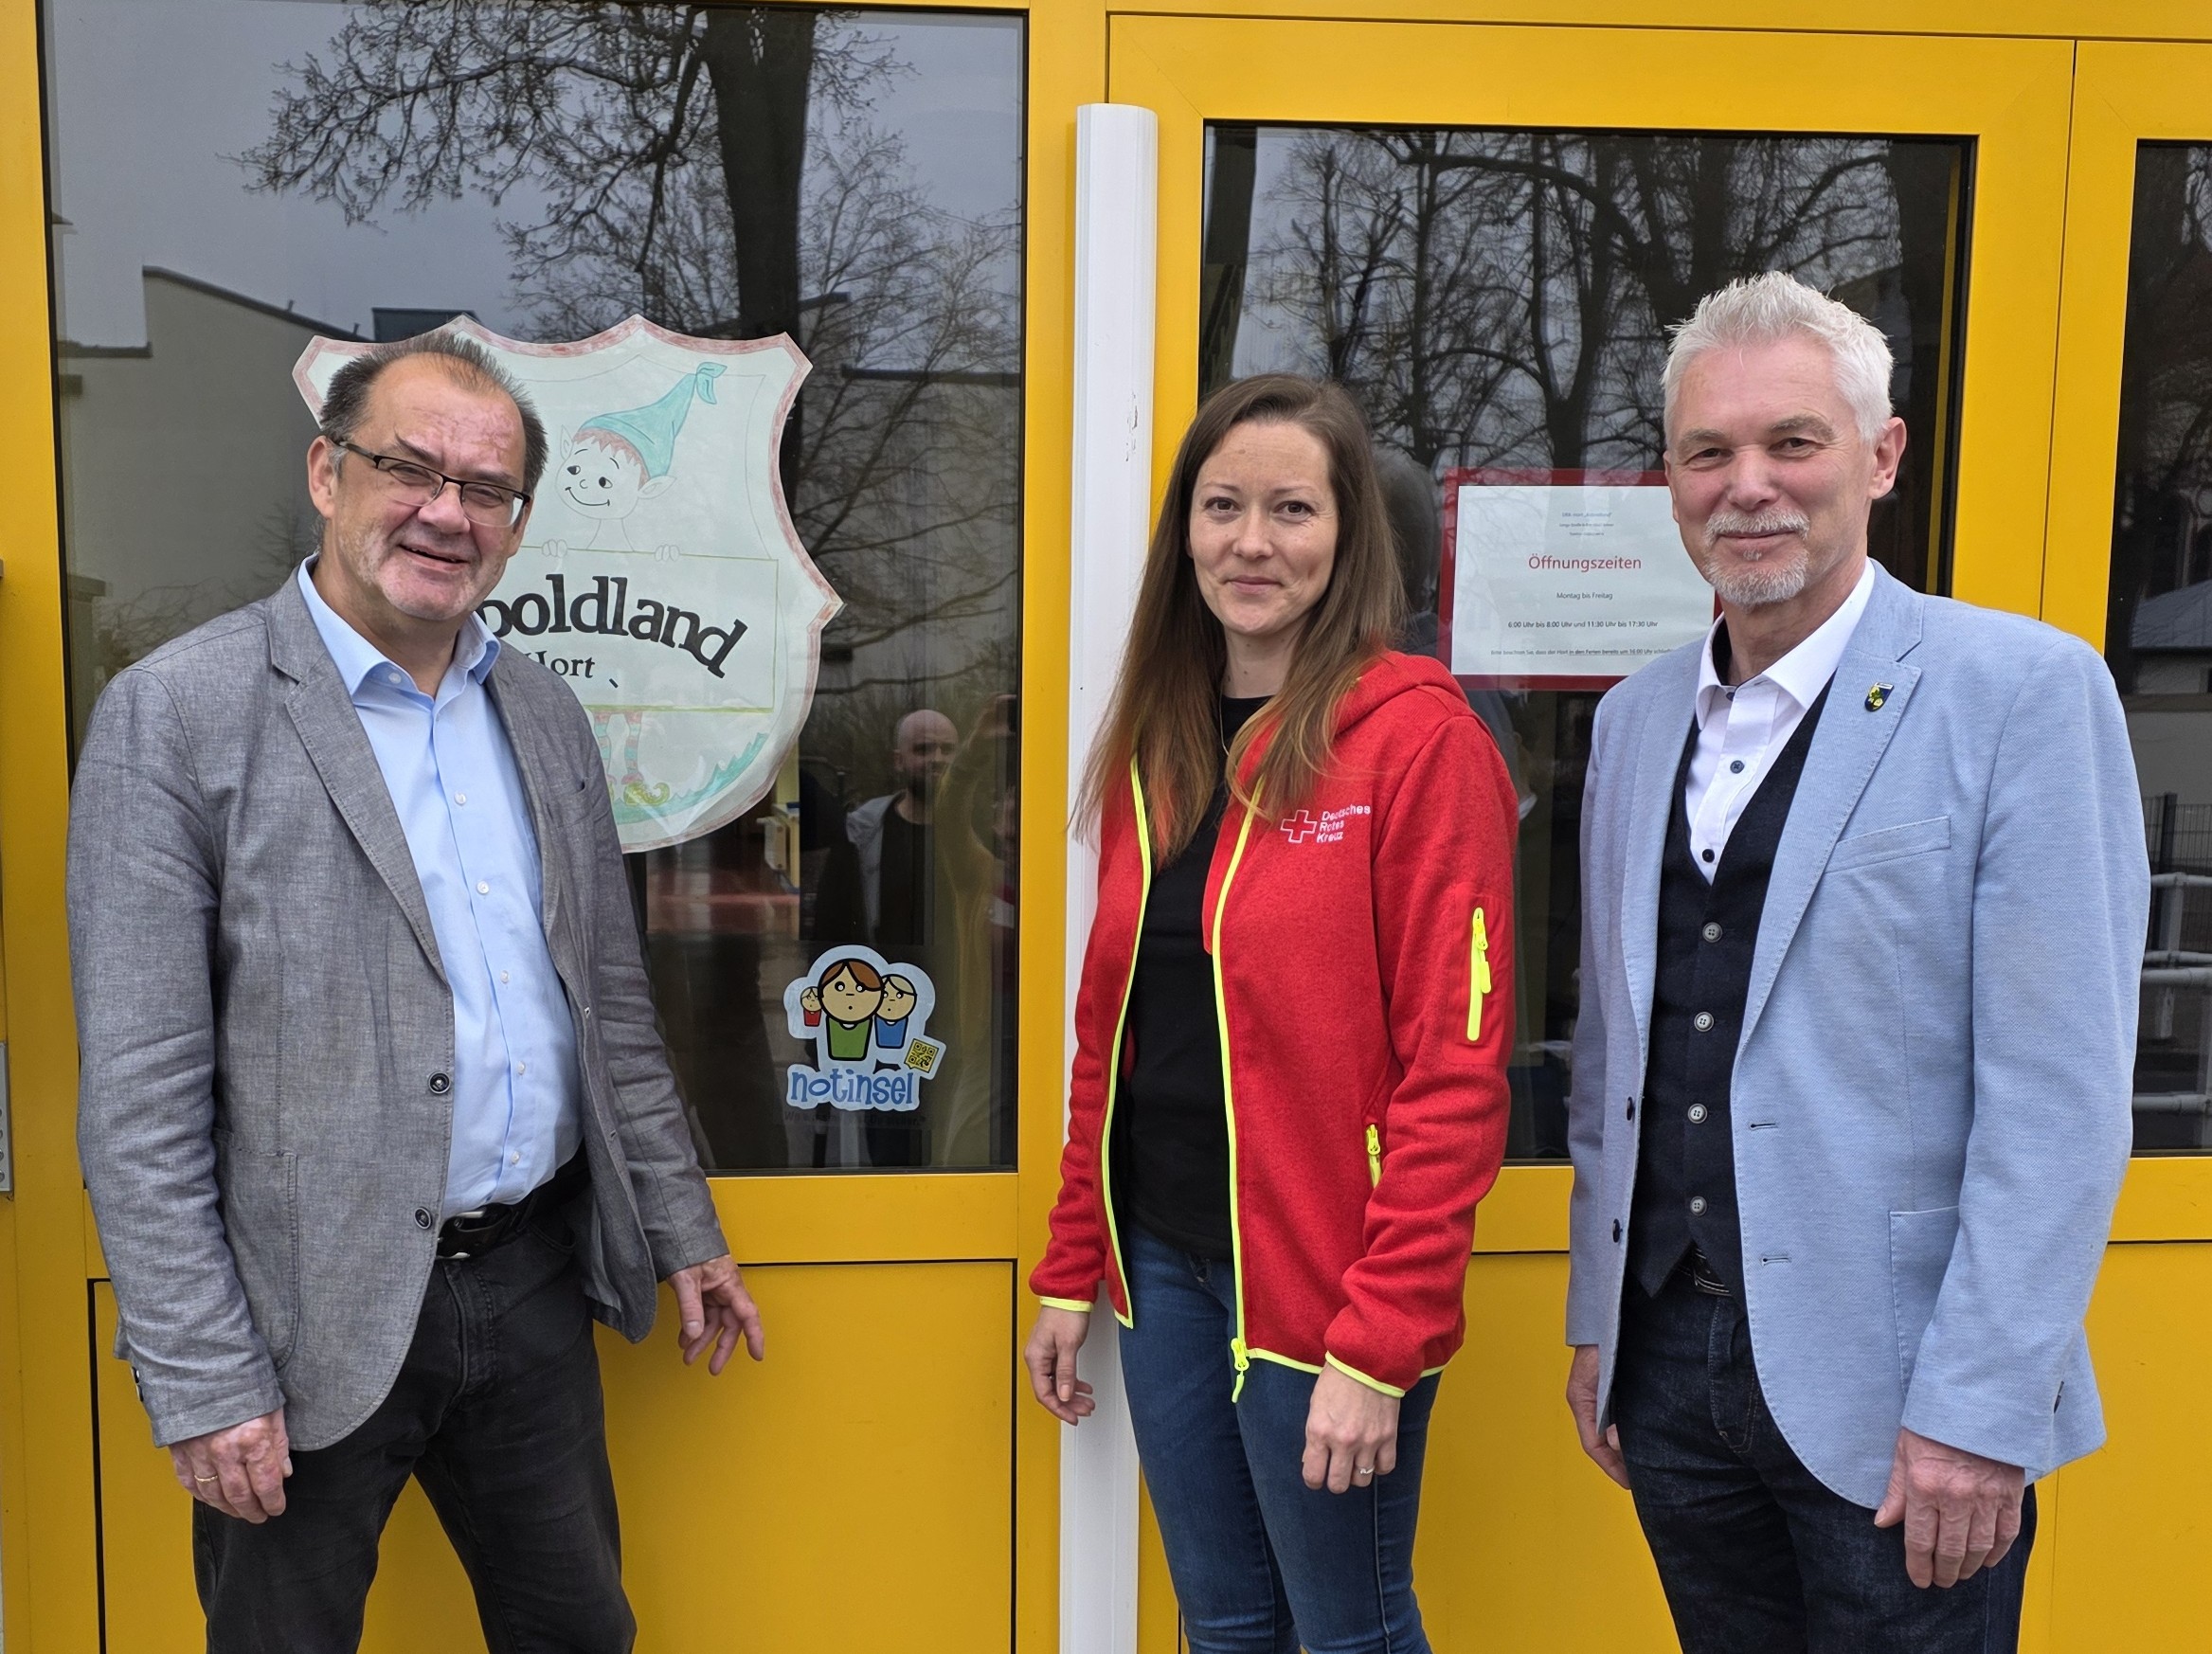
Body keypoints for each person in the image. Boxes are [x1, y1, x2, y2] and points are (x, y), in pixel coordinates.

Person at [66, 333, 765, 1654]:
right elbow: (140, 1099)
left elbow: (611, 1010)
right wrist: (205, 1376)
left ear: (515, 527)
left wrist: (683, 1226)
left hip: (526, 1287)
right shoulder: (179, 714)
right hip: (296, 1321)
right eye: (409, 467)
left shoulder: (545, 715)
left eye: (486, 489)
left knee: (580, 1634)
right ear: (328, 473)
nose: (447, 510)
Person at [1562, 272, 2148, 1653]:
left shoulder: (2020, 691)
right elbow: (1615, 1056)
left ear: (1881, 457)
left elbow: (2058, 1099)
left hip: (1908, 1399)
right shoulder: (1636, 721)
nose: (1748, 485)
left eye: (1793, 443)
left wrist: (1979, 1409)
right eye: (1709, 452)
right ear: (1673, 481)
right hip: (1669, 1366)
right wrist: (1603, 1317)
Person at [1025, 374, 1519, 1653]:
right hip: (1170, 1271)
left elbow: (1454, 1079)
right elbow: (1113, 1035)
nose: (1253, 540)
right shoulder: (1165, 738)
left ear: (1350, 535)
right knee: (1227, 1621)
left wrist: (1380, 1342)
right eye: (1223, 505)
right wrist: (1076, 1260)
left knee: (1348, 1629)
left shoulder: (1421, 743)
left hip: (1325, 1284)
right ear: (1185, 530)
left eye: (1293, 508)